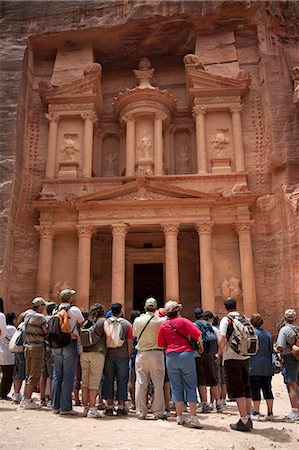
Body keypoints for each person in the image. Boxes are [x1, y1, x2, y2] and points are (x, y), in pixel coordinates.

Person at [158, 300, 203, 428]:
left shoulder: (164, 325)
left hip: (171, 356)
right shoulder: (184, 321)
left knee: (175, 386)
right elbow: (198, 334)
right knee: (190, 385)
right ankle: (193, 417)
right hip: (186, 355)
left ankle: (179, 416)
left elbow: (161, 344)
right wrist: (200, 345)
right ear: (177, 310)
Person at [218, 298, 252, 432]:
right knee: (246, 387)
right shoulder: (244, 318)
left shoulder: (226, 320)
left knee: (237, 388)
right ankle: (248, 418)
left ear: (225, 307)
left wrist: (219, 352)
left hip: (232, 357)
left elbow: (221, 339)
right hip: (245, 356)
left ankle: (243, 420)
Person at [51, 289, 84, 416]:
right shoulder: (74, 310)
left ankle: (55, 406)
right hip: (70, 343)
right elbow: (81, 324)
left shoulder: (55, 310)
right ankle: (65, 407)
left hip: (56, 344)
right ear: (70, 298)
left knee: (57, 375)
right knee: (68, 376)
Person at [133, 297, 166, 420]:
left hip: (141, 353)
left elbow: (135, 334)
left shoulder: (138, 320)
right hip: (156, 353)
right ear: (156, 308)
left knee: (141, 383)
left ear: (145, 308)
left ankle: (141, 411)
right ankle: (158, 411)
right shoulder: (160, 321)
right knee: (158, 384)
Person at [102, 302, 133, 416]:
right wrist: (129, 355)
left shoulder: (106, 322)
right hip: (122, 355)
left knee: (108, 379)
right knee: (122, 380)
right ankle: (121, 406)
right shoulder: (127, 324)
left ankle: (109, 406)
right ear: (121, 311)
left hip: (109, 354)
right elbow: (130, 342)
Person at [80, 304, 111, 419]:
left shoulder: (87, 322)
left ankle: (85, 408)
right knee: (94, 381)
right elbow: (109, 335)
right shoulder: (103, 321)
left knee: (85, 381)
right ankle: (93, 408)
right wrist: (106, 348)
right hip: (97, 353)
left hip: (84, 353)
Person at [193, 308, 221, 413]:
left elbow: (196, 338)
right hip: (210, 354)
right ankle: (218, 403)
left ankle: (204, 403)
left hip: (199, 354)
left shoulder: (195, 325)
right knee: (213, 380)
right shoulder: (210, 325)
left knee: (202, 381)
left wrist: (199, 348)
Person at [22, 297, 48, 409]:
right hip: (37, 347)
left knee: (28, 374)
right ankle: (28, 400)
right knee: (35, 374)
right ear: (40, 306)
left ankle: (25, 398)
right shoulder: (40, 317)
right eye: (43, 305)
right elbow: (45, 331)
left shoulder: (27, 315)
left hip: (27, 346)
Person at [249, 313, 275, 421]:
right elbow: (271, 351)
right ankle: (270, 412)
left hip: (254, 366)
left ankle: (256, 412)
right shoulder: (268, 335)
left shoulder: (251, 334)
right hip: (267, 366)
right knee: (268, 389)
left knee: (255, 390)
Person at [276, 308, 299, 422]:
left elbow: (280, 346)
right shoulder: (297, 329)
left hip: (289, 358)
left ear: (285, 318)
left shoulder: (284, 330)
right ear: (295, 318)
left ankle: (295, 412)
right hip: (298, 356)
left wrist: (276, 349)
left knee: (291, 385)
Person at [40, 302, 56, 406]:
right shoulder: (53, 320)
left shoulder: (42, 319)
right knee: (52, 375)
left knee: (43, 374)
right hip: (51, 348)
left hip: (42, 348)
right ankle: (50, 398)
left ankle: (42, 398)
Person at [0, 312, 16, 399]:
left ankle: (3, 393)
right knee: (8, 377)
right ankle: (3, 394)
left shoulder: (3, 328)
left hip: (2, 354)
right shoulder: (12, 329)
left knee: (4, 376)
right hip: (10, 355)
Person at [11, 312, 26, 404]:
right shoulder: (25, 326)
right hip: (22, 351)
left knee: (17, 373)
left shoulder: (19, 326)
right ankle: (17, 395)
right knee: (20, 373)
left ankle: (16, 393)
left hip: (17, 351)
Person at [128, 309, 141, 412]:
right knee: (143, 380)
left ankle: (133, 402)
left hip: (131, 355)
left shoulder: (129, 327)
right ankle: (143, 402)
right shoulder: (141, 327)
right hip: (141, 353)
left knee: (132, 380)